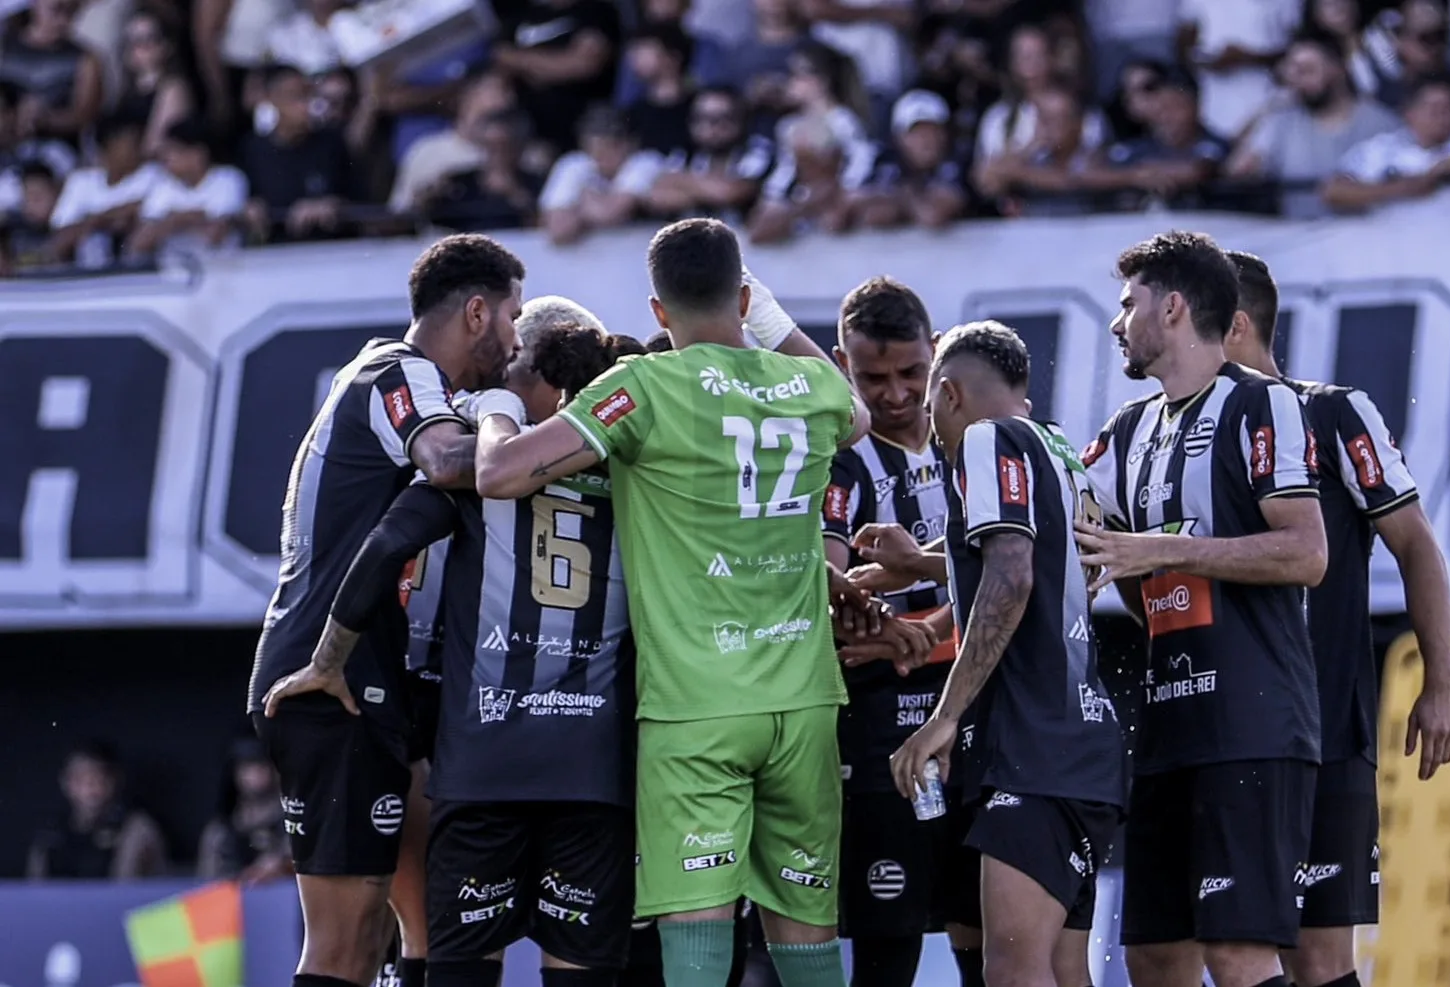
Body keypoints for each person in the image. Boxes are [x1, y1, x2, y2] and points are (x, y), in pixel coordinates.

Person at [471, 217, 871, 987]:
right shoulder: (814, 387)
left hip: (698, 704)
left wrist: (495, 401)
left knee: (696, 935)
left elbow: (498, 473)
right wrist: (771, 320)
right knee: (808, 934)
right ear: (745, 295)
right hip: (805, 697)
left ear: (657, 313)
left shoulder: (643, 387)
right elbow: (854, 415)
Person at [272, 299, 646, 987]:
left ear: (530, 375)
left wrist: (325, 661)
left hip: (485, 767)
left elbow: (385, 546)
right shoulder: (638, 472)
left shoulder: (480, 466)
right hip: (595, 770)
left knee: (456, 969)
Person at [253, 233, 526, 987]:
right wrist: (549, 447)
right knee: (344, 945)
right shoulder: (395, 371)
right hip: (323, 674)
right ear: (477, 312)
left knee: (419, 922)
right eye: (512, 317)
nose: (514, 340)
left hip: (371, 674)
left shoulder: (406, 382)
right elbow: (445, 461)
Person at [1076, 230, 1327, 987]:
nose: (1118, 323)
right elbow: (1079, 546)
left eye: (1129, 305)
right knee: (1154, 955)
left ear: (1175, 307)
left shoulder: (1263, 403)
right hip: (1167, 725)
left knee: (1239, 952)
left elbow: (1305, 552)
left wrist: (1162, 550)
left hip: (1252, 722)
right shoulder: (1126, 430)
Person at [1221, 250, 1450, 987]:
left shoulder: (1332, 410)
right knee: (1218, 952)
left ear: (1231, 325)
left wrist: (1443, 683)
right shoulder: (1170, 428)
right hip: (1220, 735)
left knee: (1318, 959)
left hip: (1326, 726)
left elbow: (1416, 542)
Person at [889, 321, 1128, 987]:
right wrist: (919, 561)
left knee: (1014, 972)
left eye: (930, 400)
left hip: (1035, 745)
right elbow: (1037, 560)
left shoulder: (986, 440)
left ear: (949, 392)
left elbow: (1013, 575)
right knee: (1061, 970)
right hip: (1080, 744)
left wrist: (944, 715)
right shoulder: (1056, 449)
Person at [818, 277, 967, 987]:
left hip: (983, 721)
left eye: (912, 372)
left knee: (990, 937)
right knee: (889, 944)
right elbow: (825, 573)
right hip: (885, 729)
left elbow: (1030, 571)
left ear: (937, 354)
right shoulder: (841, 461)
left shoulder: (980, 445)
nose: (897, 393)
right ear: (841, 365)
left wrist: (924, 625)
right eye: (872, 377)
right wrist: (867, 611)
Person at [27, 741, 167, 880]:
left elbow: (127, 888)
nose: (89, 787)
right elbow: (34, 888)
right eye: (80, 778)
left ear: (114, 780)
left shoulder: (137, 829)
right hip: (57, 902)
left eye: (98, 777)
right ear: (65, 782)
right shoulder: (50, 832)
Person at [197, 737, 289, 882]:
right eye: (248, 767)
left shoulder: (293, 822)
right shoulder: (221, 831)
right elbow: (207, 885)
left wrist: (282, 865)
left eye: (262, 766)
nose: (256, 774)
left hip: (286, 898)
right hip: (234, 900)